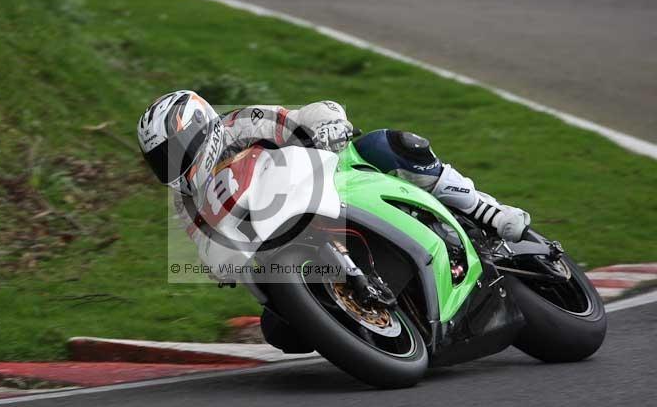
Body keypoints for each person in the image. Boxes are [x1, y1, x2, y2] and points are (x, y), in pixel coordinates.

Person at [137, 90, 530, 263]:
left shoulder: (241, 124)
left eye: (174, 150)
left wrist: (328, 126)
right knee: (281, 331)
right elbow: (209, 252)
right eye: (161, 160)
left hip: (331, 180)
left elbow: (308, 114)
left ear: (201, 126)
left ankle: (484, 210)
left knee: (390, 144)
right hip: (283, 239)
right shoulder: (188, 202)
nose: (171, 164)